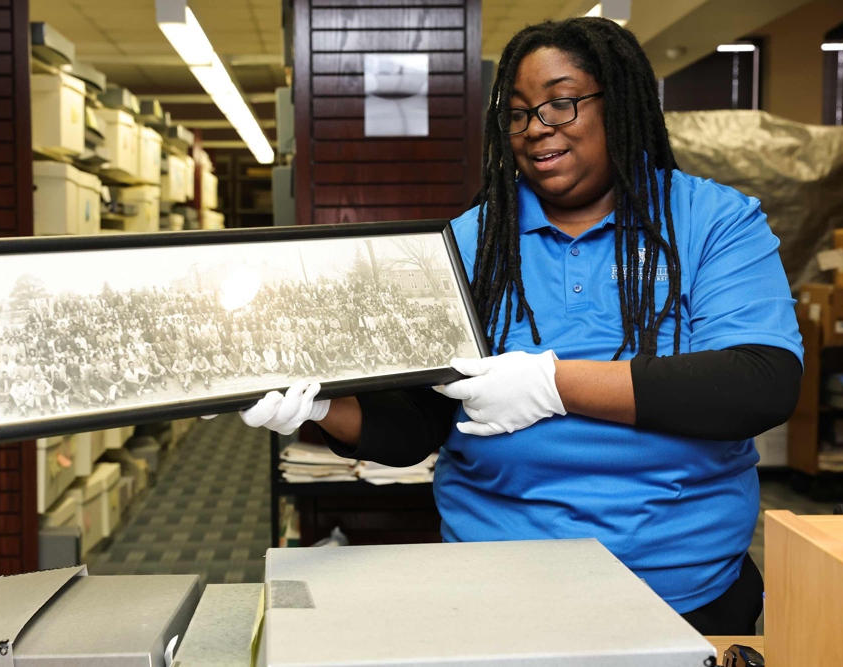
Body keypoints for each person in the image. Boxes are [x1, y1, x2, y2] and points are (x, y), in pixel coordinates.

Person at [229, 17, 802, 636]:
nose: (535, 130)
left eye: (560, 104)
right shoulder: (469, 244)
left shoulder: (712, 221)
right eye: (519, 112)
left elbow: (759, 383)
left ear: (622, 101)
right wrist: (317, 410)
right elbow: (419, 425)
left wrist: (552, 384)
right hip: (493, 589)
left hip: (683, 592)